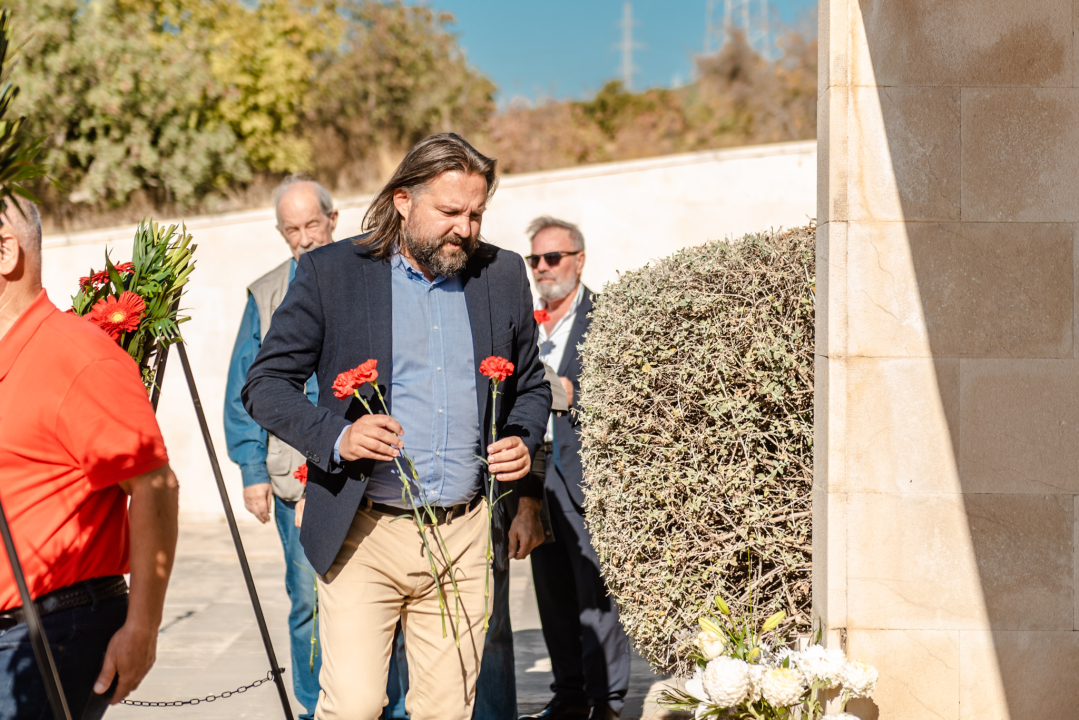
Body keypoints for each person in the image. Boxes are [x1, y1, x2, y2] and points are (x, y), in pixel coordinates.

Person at [243, 133, 550, 720]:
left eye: (476, 214)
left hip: (464, 534)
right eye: (450, 212)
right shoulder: (332, 272)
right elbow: (265, 384)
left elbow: (531, 385)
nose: (464, 229)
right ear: (403, 200)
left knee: (446, 711)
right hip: (363, 532)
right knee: (355, 706)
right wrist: (338, 437)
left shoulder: (503, 273)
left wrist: (522, 437)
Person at [0, 198, 179, 718]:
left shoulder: (80, 357)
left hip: (48, 633)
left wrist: (142, 628)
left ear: (5, 252)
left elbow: (154, 486)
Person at [224, 175, 338, 720]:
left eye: (312, 224)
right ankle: (313, 708)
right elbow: (241, 388)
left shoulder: (364, 275)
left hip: (362, 470)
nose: (304, 238)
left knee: (378, 597)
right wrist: (252, 469)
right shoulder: (265, 294)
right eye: (292, 229)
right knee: (307, 599)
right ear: (281, 234)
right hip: (293, 476)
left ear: (333, 221)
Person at [521, 217, 630, 720]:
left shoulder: (606, 317)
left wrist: (576, 393)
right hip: (533, 472)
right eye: (535, 259)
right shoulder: (526, 323)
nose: (543, 268)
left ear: (579, 260)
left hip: (585, 471)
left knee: (595, 591)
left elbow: (629, 389)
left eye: (553, 257)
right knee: (551, 592)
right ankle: (568, 697)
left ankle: (606, 701)